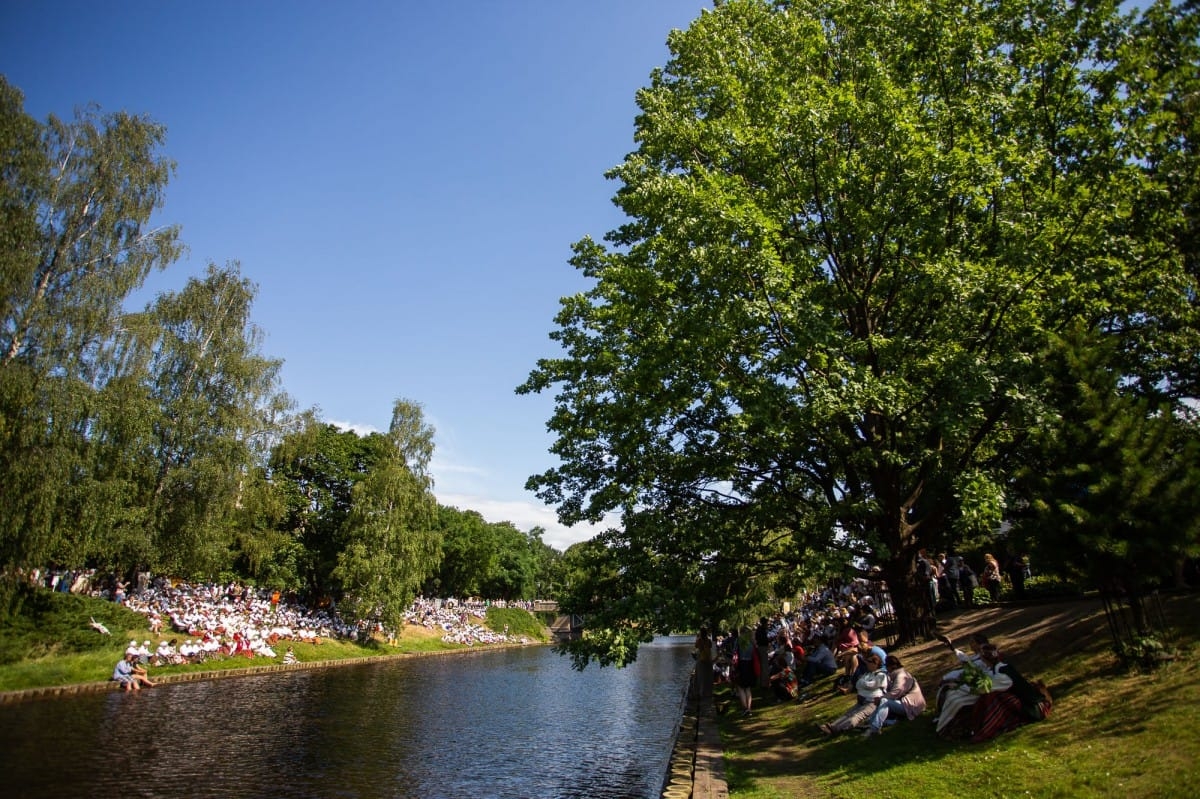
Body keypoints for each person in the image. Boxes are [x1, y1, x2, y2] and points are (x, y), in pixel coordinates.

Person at [967, 644, 1052, 742]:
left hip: (1033, 707)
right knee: (995, 695)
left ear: (985, 660)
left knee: (993, 697)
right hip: (1024, 701)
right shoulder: (1000, 668)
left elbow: (984, 689)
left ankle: (987, 729)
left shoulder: (1002, 675)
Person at [817, 651, 888, 735]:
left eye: (869, 662)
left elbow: (871, 685)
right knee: (848, 714)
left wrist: (862, 682)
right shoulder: (867, 674)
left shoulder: (881, 675)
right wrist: (862, 682)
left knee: (856, 717)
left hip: (872, 701)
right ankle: (831, 726)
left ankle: (837, 729)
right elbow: (858, 684)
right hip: (861, 700)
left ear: (875, 664)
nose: (867, 664)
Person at [863, 654, 926, 736]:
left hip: (912, 705)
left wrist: (880, 698)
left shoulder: (901, 676)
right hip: (905, 703)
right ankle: (872, 721)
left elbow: (895, 692)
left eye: (887, 666)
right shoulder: (896, 675)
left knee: (885, 701)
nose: (886, 669)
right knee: (884, 702)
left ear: (891, 667)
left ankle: (875, 727)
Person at [733, 626, 760, 717]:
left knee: (741, 688)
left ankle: (744, 708)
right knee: (748, 688)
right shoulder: (752, 641)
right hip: (750, 665)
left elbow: (734, 653)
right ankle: (749, 708)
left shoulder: (739, 641)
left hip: (741, 665)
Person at [693, 627, 714, 698]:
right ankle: (708, 692)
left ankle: (700, 692)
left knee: (700, 676)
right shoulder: (709, 640)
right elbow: (710, 646)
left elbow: (696, 646)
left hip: (701, 660)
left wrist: (697, 637)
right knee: (708, 676)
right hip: (708, 659)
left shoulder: (699, 640)